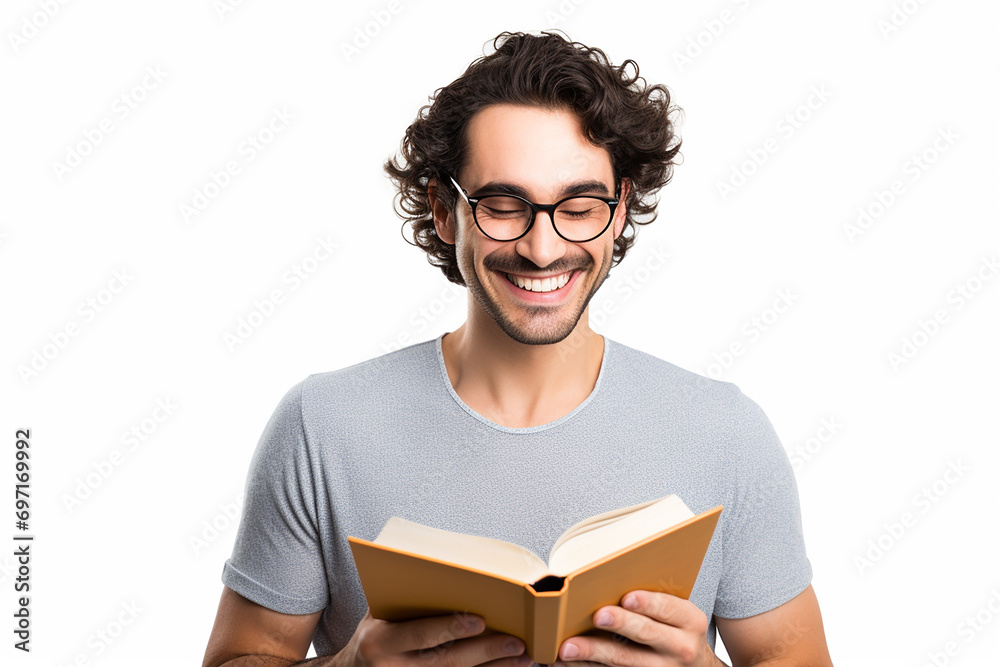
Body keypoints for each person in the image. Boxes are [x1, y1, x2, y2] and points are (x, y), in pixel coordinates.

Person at [202, 30, 834, 667]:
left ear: (619, 213)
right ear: (444, 211)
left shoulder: (726, 433)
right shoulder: (322, 426)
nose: (542, 247)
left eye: (580, 206)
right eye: (503, 205)